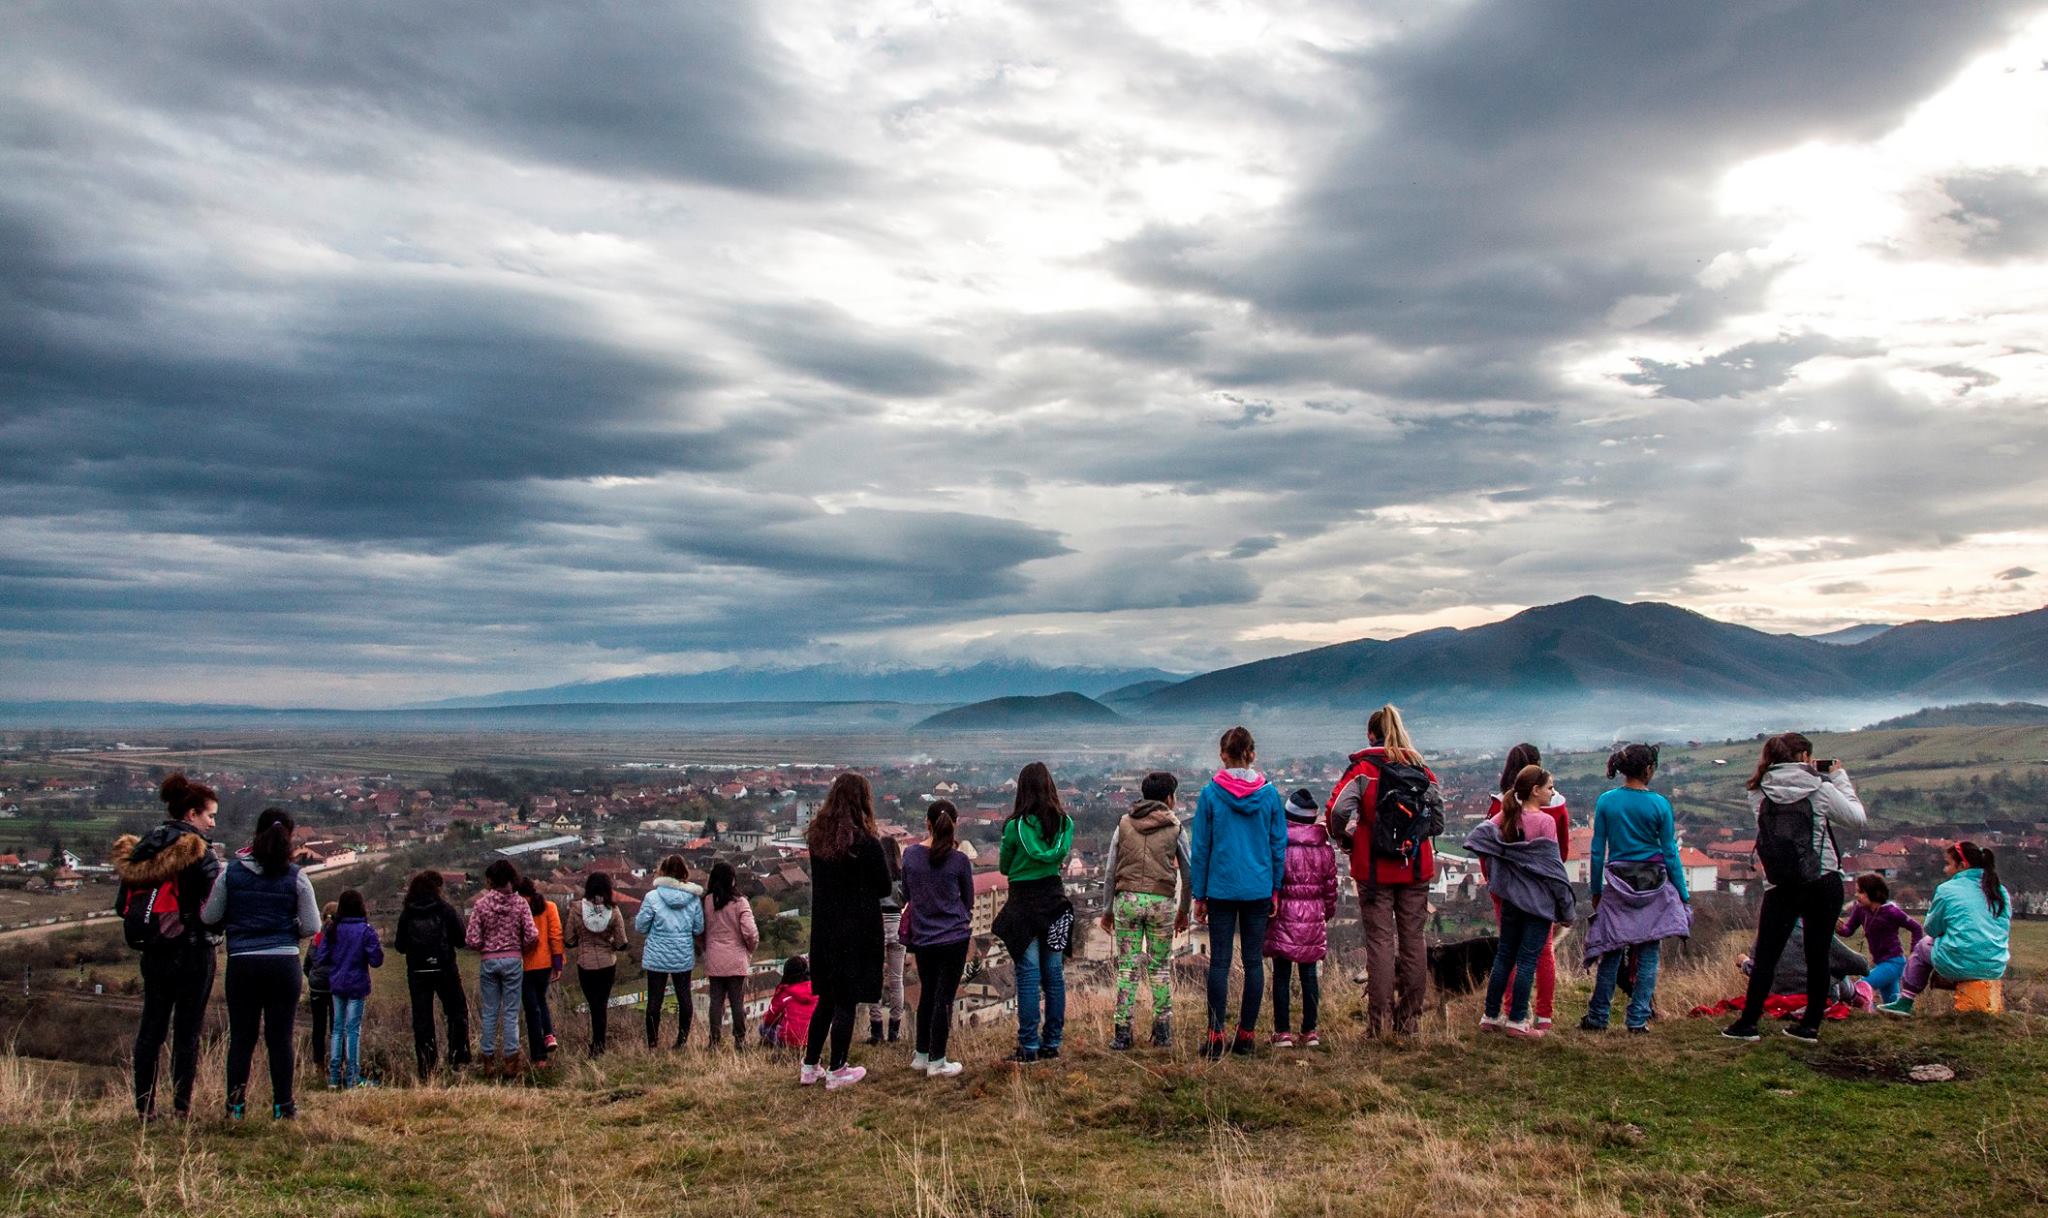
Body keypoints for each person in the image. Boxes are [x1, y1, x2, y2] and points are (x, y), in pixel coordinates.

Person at [1722, 733, 1865, 1043]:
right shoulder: (1822, 789)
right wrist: (1837, 776)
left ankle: (1748, 1023)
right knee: (1817, 954)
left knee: (1768, 957)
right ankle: (1810, 1025)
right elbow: (1857, 819)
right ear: (1803, 757)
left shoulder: (1757, 792)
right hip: (1822, 878)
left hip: (1779, 882)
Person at [1327, 704, 1444, 1038]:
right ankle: (1409, 1022)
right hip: (1415, 866)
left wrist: (1347, 838)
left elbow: (1337, 812)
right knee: (1413, 942)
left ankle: (1378, 1025)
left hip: (1374, 868)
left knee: (1379, 943)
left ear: (1370, 734)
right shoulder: (1421, 769)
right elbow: (1437, 821)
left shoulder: (1363, 769)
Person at [112, 773, 224, 1120]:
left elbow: (122, 906)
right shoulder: (198, 851)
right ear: (191, 814)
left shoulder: (145, 846)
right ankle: (181, 1107)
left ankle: (144, 1107)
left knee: (151, 1029)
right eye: (209, 815)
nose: (212, 822)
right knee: (186, 1032)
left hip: (153, 950)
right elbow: (214, 905)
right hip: (192, 949)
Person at [200, 808, 320, 1119]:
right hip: (283, 964)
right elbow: (312, 925)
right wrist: (287, 928)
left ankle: (236, 1107)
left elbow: (210, 916)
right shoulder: (297, 877)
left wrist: (236, 920)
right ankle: (283, 1107)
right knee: (280, 1037)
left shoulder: (232, 873)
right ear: (289, 837)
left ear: (257, 833)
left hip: (243, 964)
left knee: (242, 1037)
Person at [1189, 726, 1288, 1060]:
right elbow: (1278, 846)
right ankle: (1246, 1035)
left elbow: (1200, 848)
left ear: (1223, 756)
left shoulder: (1210, 795)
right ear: (1252, 754)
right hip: (1258, 887)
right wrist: (1275, 888)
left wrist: (1199, 895)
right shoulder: (1270, 796)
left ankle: (1216, 1035)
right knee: (1253, 962)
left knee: (1219, 962)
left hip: (1220, 887)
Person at [1584, 743, 1691, 1034]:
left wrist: (1596, 889)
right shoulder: (1660, 804)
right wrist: (1682, 894)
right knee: (1649, 952)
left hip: (1617, 882)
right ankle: (1638, 1019)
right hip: (1654, 883)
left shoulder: (1607, 801)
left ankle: (1598, 1017)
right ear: (1649, 769)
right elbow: (1670, 852)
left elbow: (1597, 851)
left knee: (1612, 950)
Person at [1465, 767, 1575, 1039]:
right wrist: (1565, 909)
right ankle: (1516, 1021)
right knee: (1527, 960)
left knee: (1504, 957)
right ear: (1535, 790)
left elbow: (1479, 836)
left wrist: (1504, 855)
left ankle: (1490, 1015)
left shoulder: (1506, 817)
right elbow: (1552, 870)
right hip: (1537, 904)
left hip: (1511, 900)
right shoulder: (1545, 822)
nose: (1553, 792)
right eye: (1550, 787)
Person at [801, 773, 893, 1089]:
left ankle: (810, 1065)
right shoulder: (866, 843)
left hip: (825, 928)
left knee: (827, 998)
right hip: (857, 929)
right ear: (862, 801)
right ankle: (838, 1069)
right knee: (846, 1000)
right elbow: (884, 886)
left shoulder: (818, 839)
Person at [1099, 771, 1192, 1051]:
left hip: (1126, 900)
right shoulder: (1175, 827)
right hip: (1161, 902)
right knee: (1160, 968)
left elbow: (1110, 870)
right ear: (1169, 798)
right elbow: (1188, 873)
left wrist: (1107, 909)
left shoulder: (1124, 824)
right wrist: (1184, 910)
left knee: (1127, 969)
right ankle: (1162, 1031)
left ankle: (1123, 1033)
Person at [993, 762, 1075, 1064]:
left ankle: (1028, 1046)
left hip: (1023, 905)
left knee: (1028, 977)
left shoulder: (1015, 828)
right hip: (1055, 902)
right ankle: (1052, 1042)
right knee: (1054, 976)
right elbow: (1057, 856)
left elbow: (1004, 867)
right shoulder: (1065, 824)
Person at [1486, 743, 1571, 1029]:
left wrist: (1495, 882)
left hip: (1506, 890)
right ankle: (1540, 1015)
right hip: (1539, 894)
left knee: (1506, 952)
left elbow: (1487, 846)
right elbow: (1560, 855)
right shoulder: (1552, 811)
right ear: (1537, 785)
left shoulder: (1502, 807)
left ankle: (1503, 1011)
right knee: (1539, 951)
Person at [1880, 841, 2011, 1016]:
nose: (1945, 869)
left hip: (1959, 962)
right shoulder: (2000, 891)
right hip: (1994, 964)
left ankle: (1905, 1001)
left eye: (1948, 864)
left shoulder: (1947, 890)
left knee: (1922, 946)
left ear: (1962, 865)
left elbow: (1932, 929)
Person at [901, 800, 974, 1077]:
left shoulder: (910, 855)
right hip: (953, 937)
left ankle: (921, 1055)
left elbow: (907, 893)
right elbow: (968, 900)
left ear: (926, 823)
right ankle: (938, 1060)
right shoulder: (959, 860)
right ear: (955, 824)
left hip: (923, 937)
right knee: (945, 998)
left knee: (928, 994)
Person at [1266, 788, 1338, 1048]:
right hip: (1313, 915)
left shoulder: (1278, 843)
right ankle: (1310, 1031)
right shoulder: (1324, 847)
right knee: (1309, 974)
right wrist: (1325, 913)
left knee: (1282, 974)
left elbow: (1271, 879)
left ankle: (1282, 1031)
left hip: (1283, 915)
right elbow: (1331, 887)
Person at [466, 859, 540, 1076]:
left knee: (489, 1012)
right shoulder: (520, 904)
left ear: (491, 881)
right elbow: (532, 935)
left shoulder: (481, 905)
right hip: (513, 960)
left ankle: (487, 1061)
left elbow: (471, 938)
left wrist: (485, 947)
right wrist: (520, 948)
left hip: (489, 961)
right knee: (510, 1013)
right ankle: (510, 1061)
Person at [394, 870, 470, 1077]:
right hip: (445, 968)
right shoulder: (445, 910)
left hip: (418, 972)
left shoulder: (407, 913)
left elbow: (399, 946)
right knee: (456, 1012)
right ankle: (458, 1059)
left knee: (422, 1020)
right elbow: (461, 940)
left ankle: (428, 1068)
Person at [636, 855, 706, 1051]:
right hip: (682, 954)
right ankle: (681, 1041)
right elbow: (698, 928)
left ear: (663, 871)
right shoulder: (693, 898)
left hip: (656, 955)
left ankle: (652, 1043)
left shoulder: (652, 897)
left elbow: (641, 926)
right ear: (684, 872)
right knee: (685, 999)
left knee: (654, 1001)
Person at [317, 888, 384, 1089]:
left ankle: (334, 1077)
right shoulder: (366, 930)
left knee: (337, 1029)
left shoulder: (332, 929)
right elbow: (376, 960)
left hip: (337, 982)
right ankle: (353, 1077)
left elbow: (321, 958)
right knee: (352, 1030)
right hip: (357, 983)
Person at [565, 872, 629, 1055]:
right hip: (607, 964)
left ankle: (596, 1045)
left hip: (585, 964)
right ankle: (599, 1044)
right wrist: (608, 942)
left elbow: (568, 939)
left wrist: (583, 941)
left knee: (593, 1004)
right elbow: (622, 942)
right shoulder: (614, 911)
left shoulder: (576, 909)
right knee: (601, 1004)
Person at [1838, 873, 1923, 1005]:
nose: (1856, 895)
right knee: (1892, 1005)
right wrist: (1838, 928)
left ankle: (1868, 1015)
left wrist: (1914, 953)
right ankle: (1895, 1020)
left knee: (1862, 985)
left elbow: (1916, 928)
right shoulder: (1860, 910)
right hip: (1880, 963)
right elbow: (1848, 930)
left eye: (1860, 891)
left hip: (1895, 962)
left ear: (1874, 893)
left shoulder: (1891, 912)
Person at [702, 861, 761, 1049]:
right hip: (736, 957)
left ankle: (714, 1041)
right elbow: (750, 932)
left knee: (716, 1001)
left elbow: (698, 930)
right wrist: (749, 949)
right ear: (732, 879)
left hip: (714, 956)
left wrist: (705, 947)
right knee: (737, 1001)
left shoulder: (707, 901)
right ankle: (740, 1040)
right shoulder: (740, 902)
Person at [864, 832, 908, 1046]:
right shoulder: (902, 874)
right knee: (896, 980)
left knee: (873, 977)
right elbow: (906, 897)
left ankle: (876, 1029)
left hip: (876, 924)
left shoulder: (873, 872)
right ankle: (895, 1030)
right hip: (897, 925)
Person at [516, 879, 565, 1067]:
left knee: (531, 1009)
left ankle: (539, 1056)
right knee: (541, 1000)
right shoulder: (550, 907)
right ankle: (549, 1035)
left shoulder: (519, 909)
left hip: (525, 965)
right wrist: (558, 963)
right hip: (545, 963)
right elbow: (555, 935)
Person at [304, 900, 337, 1073]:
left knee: (318, 1027)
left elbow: (307, 965)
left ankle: (318, 1065)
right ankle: (336, 1063)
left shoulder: (316, 938)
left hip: (317, 988)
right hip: (335, 987)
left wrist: (312, 978)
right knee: (336, 1027)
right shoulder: (340, 938)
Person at [761, 955, 817, 1051]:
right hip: (814, 1040)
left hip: (789, 1041)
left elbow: (770, 1018)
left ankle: (773, 1052)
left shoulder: (785, 992)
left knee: (763, 1028)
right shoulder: (816, 990)